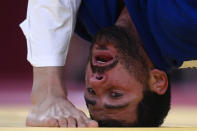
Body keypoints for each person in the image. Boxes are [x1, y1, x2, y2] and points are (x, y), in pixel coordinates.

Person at [20, 0, 197, 127]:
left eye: (91, 91)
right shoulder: (185, 27)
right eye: (115, 94)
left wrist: (49, 94)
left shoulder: (88, 18)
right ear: (157, 80)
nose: (96, 81)